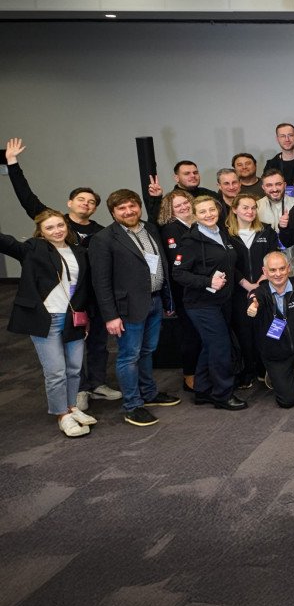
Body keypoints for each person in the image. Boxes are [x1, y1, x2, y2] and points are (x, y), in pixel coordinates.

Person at [4, 138, 118, 406]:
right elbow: (26, 197)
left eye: (91, 202)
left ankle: (96, 383)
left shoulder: (101, 233)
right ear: (69, 203)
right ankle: (78, 392)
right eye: (81, 199)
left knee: (96, 343)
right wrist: (12, 163)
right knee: (66, 351)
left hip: (89, 297)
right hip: (58, 302)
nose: (86, 204)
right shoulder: (54, 222)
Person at [0, 209, 95, 437]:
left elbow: (84, 288)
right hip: (46, 319)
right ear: (41, 232)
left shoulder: (79, 251)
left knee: (74, 369)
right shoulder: (34, 248)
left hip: (73, 318)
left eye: (60, 225)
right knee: (56, 372)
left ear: (67, 226)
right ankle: (62, 415)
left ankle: (71, 407)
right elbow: (7, 243)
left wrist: (86, 317)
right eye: (49, 227)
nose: (57, 231)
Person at [90, 189, 180, 426]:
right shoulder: (104, 239)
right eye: (122, 208)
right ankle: (132, 405)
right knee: (129, 356)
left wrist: (167, 300)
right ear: (113, 212)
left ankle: (148, 393)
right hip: (127, 308)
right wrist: (110, 316)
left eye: (132, 206)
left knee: (148, 351)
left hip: (155, 300)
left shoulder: (149, 229)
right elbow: (101, 282)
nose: (128, 211)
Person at [172, 195, 245, 412]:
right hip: (201, 304)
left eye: (212, 210)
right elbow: (178, 273)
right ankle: (223, 394)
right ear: (195, 215)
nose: (208, 214)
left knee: (210, 346)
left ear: (218, 210)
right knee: (220, 346)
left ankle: (202, 389)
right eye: (202, 212)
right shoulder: (190, 241)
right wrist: (207, 282)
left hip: (222, 301)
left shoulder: (221, 233)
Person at [246, 252, 294, 407]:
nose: (278, 274)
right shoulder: (260, 292)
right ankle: (276, 375)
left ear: (288, 268)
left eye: (282, 268)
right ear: (265, 271)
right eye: (273, 270)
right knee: (287, 401)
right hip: (275, 350)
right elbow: (254, 299)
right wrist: (252, 306)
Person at [226, 193, 279, 389]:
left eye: (253, 208)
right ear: (234, 209)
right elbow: (227, 264)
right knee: (244, 333)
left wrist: (263, 280)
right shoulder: (226, 234)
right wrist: (246, 284)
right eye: (245, 207)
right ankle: (248, 372)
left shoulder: (266, 231)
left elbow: (274, 257)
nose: (250, 211)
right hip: (238, 291)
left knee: (267, 330)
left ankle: (267, 371)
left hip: (264, 288)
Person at [157, 190, 202, 393]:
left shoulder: (197, 224)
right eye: (178, 206)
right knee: (190, 334)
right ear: (170, 210)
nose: (184, 207)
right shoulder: (171, 229)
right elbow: (179, 263)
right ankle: (189, 376)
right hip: (185, 291)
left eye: (185, 202)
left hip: (202, 288)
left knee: (201, 334)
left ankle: (202, 373)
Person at [264, 123, 294, 196]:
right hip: (280, 202)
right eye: (282, 136)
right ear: (277, 139)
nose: (287, 139)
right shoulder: (271, 165)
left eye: (290, 135)